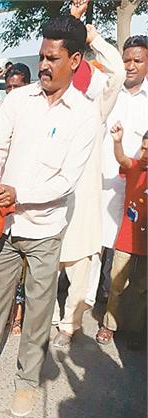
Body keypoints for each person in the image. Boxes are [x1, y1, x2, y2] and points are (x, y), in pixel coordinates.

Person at [0, 15, 97, 418]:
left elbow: (66, 181)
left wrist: (21, 195)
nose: (44, 65)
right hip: (5, 223)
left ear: (75, 60)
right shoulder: (18, 101)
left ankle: (27, 381)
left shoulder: (84, 114)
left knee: (37, 309)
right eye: (42, 56)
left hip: (45, 230)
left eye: (53, 58)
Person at [50, 15, 126, 354]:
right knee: (46, 268)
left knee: (80, 272)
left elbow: (119, 74)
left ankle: (69, 325)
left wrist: (93, 38)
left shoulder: (95, 110)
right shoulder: (50, 109)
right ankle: (48, 320)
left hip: (83, 206)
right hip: (51, 203)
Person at [94, 34, 148, 301]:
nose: (130, 66)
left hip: (137, 193)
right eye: (126, 60)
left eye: (137, 60)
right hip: (102, 183)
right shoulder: (107, 90)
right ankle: (90, 303)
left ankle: (119, 314)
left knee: (128, 254)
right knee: (96, 246)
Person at [95, 125, 147, 350]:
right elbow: (123, 159)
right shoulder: (135, 167)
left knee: (141, 289)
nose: (145, 154)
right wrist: (118, 141)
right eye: (143, 149)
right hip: (126, 240)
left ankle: (135, 330)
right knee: (116, 284)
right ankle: (109, 325)